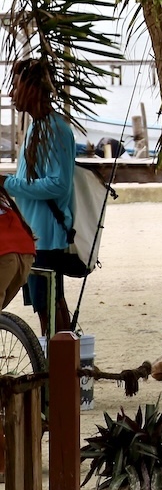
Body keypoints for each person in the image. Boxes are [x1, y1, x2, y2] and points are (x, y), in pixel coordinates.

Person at [7, 59, 73, 332]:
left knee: (51, 307)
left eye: (16, 86)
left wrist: (9, 184)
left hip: (47, 237)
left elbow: (59, 185)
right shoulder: (36, 126)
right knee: (46, 307)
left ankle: (62, 366)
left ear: (32, 89)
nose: (12, 93)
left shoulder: (55, 129)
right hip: (33, 235)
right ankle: (55, 366)